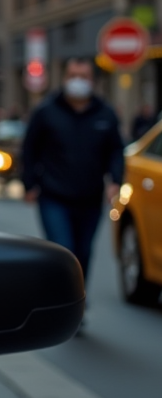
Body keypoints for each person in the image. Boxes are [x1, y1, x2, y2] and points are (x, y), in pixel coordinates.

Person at [21, 57, 123, 307]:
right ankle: (63, 302)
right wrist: (29, 184)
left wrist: (115, 181)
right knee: (64, 250)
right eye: (73, 76)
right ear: (65, 78)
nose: (78, 82)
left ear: (93, 81)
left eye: (84, 77)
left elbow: (116, 151)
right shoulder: (46, 111)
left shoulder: (105, 114)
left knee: (83, 252)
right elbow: (29, 149)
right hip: (54, 196)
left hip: (90, 198)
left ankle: (77, 300)